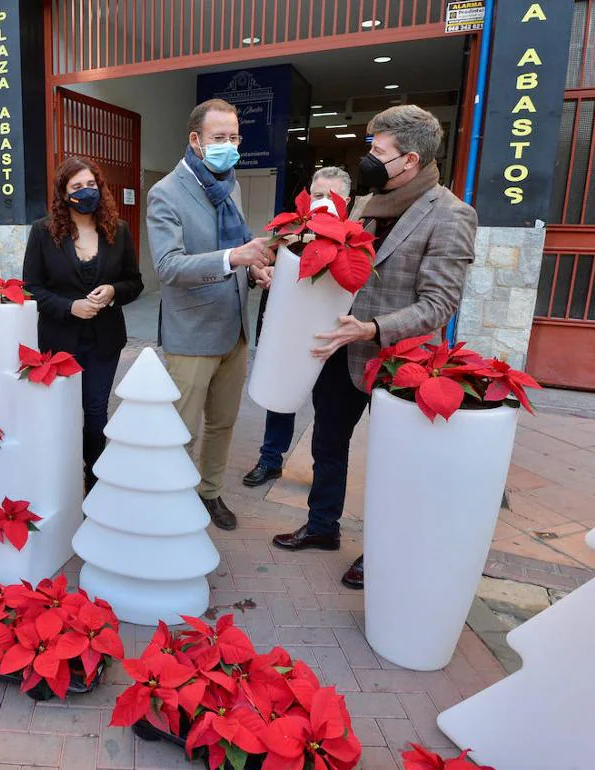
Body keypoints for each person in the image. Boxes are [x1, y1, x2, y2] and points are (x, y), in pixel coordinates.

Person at [270, 105, 478, 590]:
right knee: (327, 444)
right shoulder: (365, 204)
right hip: (341, 351)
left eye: (376, 150)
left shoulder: (451, 215)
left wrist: (374, 328)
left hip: (397, 360)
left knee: (393, 464)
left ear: (408, 160)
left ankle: (383, 549)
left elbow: (439, 303)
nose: (367, 157)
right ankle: (322, 527)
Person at [146, 98, 275, 531]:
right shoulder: (165, 193)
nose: (230, 146)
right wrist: (232, 257)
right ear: (195, 141)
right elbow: (167, 266)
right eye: (220, 138)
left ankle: (210, 493)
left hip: (234, 329)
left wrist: (254, 265)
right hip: (192, 333)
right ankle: (173, 499)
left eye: (235, 137)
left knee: (222, 423)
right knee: (182, 430)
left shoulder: (230, 184)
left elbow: (237, 244)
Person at [22, 156, 144, 492]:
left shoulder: (116, 230)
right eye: (77, 187)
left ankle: (94, 481)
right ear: (63, 194)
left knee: (95, 413)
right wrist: (69, 307)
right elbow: (31, 287)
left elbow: (135, 282)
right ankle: (59, 479)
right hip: (60, 340)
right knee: (61, 413)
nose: (86, 192)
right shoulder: (43, 232)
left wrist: (113, 292)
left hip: (104, 341)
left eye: (91, 185)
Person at [243, 166, 356, 488]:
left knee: (329, 406)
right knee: (282, 396)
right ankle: (270, 459)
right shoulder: (290, 234)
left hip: (330, 336)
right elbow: (263, 269)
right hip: (288, 330)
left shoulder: (354, 240)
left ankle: (323, 471)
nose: (323, 203)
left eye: (331, 197)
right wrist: (262, 274)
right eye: (317, 196)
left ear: (346, 200)